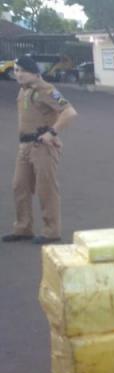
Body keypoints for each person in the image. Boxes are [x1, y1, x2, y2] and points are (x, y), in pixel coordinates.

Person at [2, 55, 78, 244]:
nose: (18, 74)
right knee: (19, 186)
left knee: (46, 188)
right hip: (24, 146)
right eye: (17, 70)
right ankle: (23, 228)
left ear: (35, 73)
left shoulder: (47, 90)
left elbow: (69, 112)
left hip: (42, 146)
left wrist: (52, 133)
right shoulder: (24, 90)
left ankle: (51, 232)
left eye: (23, 71)